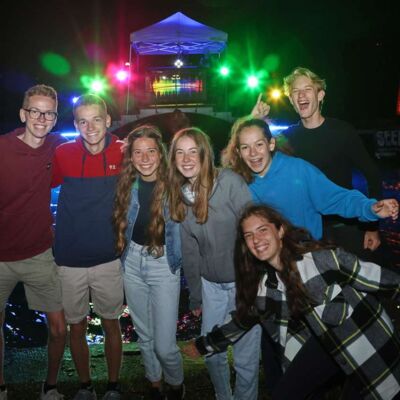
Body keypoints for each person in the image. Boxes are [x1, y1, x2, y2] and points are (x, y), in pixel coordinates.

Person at [184, 204, 400, 400]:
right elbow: (242, 321)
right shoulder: (266, 288)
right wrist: (203, 345)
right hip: (323, 344)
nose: (256, 239)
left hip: (369, 348)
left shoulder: (322, 260)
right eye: (249, 235)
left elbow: (389, 282)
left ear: (280, 231)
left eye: (262, 230)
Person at [167, 128, 261, 400]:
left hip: (243, 284)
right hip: (211, 288)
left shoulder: (229, 182)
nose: (186, 159)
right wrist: (196, 295)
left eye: (192, 152)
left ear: (204, 154)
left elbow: (255, 226)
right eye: (180, 153)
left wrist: (256, 279)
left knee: (245, 359)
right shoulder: (181, 196)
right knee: (211, 353)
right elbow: (190, 252)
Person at [252, 67, 383, 260]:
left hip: (345, 227)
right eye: (295, 92)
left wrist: (372, 226)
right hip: (305, 234)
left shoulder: (342, 132)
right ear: (291, 100)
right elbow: (249, 158)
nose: (301, 95)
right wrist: (254, 120)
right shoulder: (285, 139)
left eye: (307, 89)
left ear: (320, 95)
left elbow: (372, 174)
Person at [52, 94, 123, 400]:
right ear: (76, 124)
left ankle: (113, 386)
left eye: (96, 119)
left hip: (109, 258)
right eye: (83, 121)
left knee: (112, 324)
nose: (90, 127)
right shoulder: (62, 153)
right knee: (76, 327)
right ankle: (85, 386)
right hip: (69, 260)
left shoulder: (123, 151)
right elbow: (35, 185)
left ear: (108, 120)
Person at [223, 118, 398, 241]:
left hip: (306, 257)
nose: (253, 153)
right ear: (238, 152)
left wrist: (370, 208)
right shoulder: (238, 183)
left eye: (259, 144)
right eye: (245, 147)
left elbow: (338, 199)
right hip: (265, 264)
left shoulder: (298, 170)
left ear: (271, 144)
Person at [0, 84, 66, 400]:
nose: (41, 118)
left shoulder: (57, 147)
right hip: (0, 256)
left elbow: (95, 143)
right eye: (35, 111)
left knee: (59, 328)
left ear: (55, 118)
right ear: (23, 114)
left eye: (48, 113)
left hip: (39, 253)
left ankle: (50, 387)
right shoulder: (2, 149)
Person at [113, 125, 184, 400]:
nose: (144, 158)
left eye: (151, 151)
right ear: (130, 156)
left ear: (161, 154)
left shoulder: (177, 184)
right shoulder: (125, 184)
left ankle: (176, 383)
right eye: (138, 152)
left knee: (165, 344)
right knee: (144, 334)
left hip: (164, 264)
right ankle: (154, 383)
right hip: (131, 261)